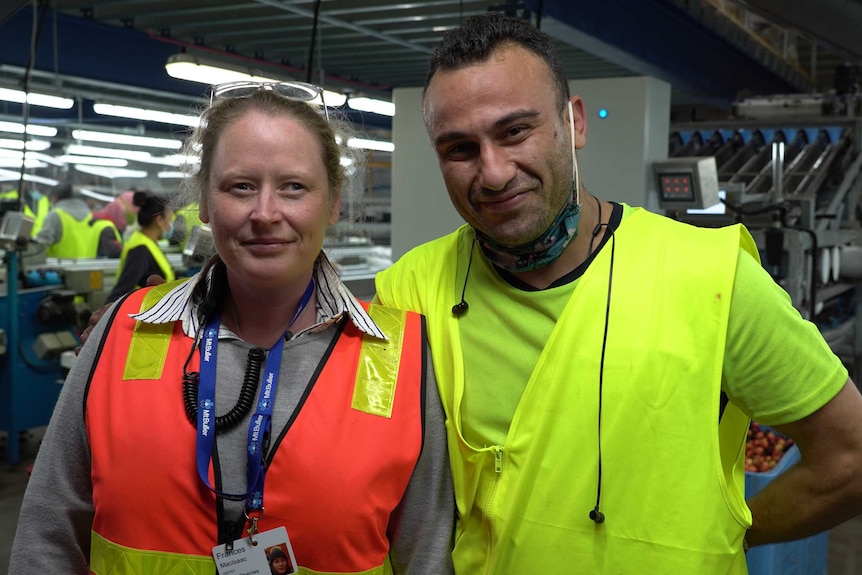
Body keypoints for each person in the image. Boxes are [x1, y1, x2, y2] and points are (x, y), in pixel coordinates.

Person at [373, 13, 862, 574]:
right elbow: (373, 477)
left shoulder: (711, 278)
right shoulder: (409, 291)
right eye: (459, 148)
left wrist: (729, 535)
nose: (494, 172)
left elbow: (850, 458)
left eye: (515, 131)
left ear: (573, 122)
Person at [10, 84, 454, 574]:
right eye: (240, 186)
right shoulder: (120, 333)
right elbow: (46, 538)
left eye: (294, 187)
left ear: (332, 204)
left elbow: (427, 555)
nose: (265, 213)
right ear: (203, 200)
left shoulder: (403, 357)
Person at [104, 190, 175, 303]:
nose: (171, 225)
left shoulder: (149, 243)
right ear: (159, 220)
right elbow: (121, 291)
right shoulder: (140, 250)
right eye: (169, 219)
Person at [34, 182, 97, 258]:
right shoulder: (90, 215)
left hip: (61, 267)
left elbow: (41, 245)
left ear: (54, 197)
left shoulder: (55, 215)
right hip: (88, 265)